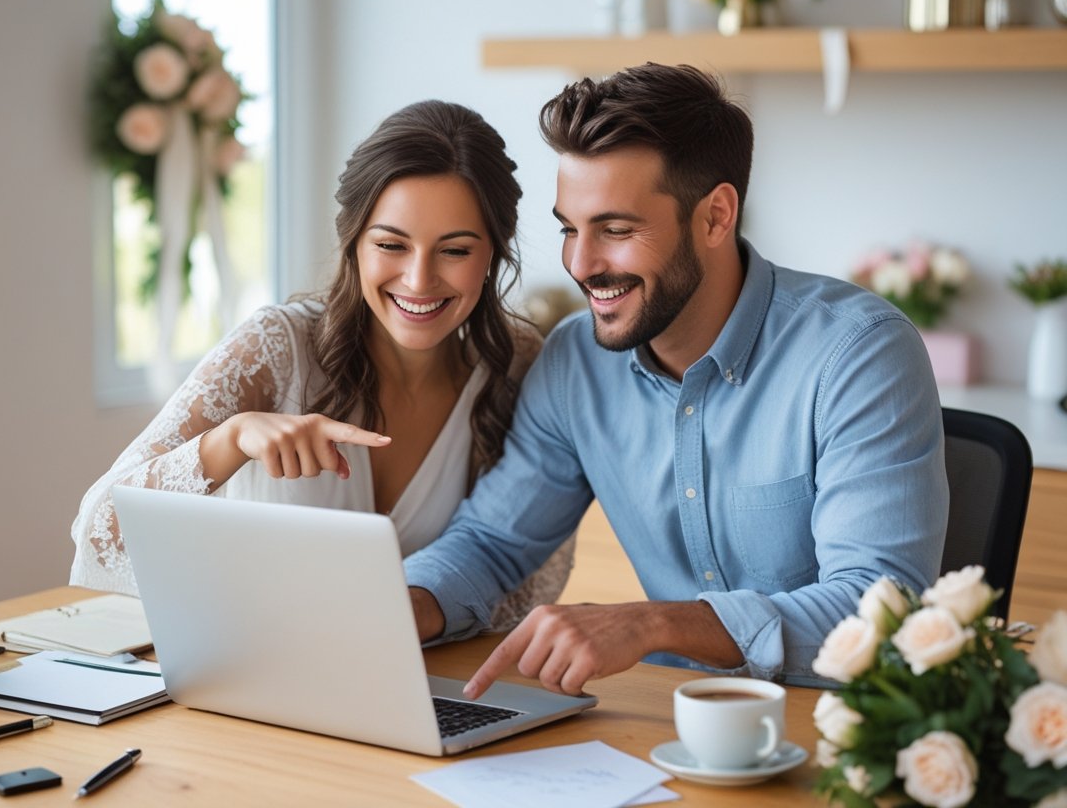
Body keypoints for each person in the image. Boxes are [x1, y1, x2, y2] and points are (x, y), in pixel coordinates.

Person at [404, 64, 949, 692]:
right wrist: (396, 609)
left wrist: (653, 624)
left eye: (615, 229)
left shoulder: (857, 356)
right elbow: (493, 541)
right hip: (667, 729)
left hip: (836, 733)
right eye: (569, 229)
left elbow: (878, 610)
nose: (581, 265)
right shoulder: (574, 362)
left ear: (716, 216)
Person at [70, 100, 574, 627]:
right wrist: (230, 439)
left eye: (454, 251)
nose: (420, 280)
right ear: (353, 242)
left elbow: (525, 581)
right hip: (249, 680)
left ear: (494, 251)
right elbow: (99, 528)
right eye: (391, 245)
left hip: (430, 686)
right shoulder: (275, 348)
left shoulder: (515, 363)